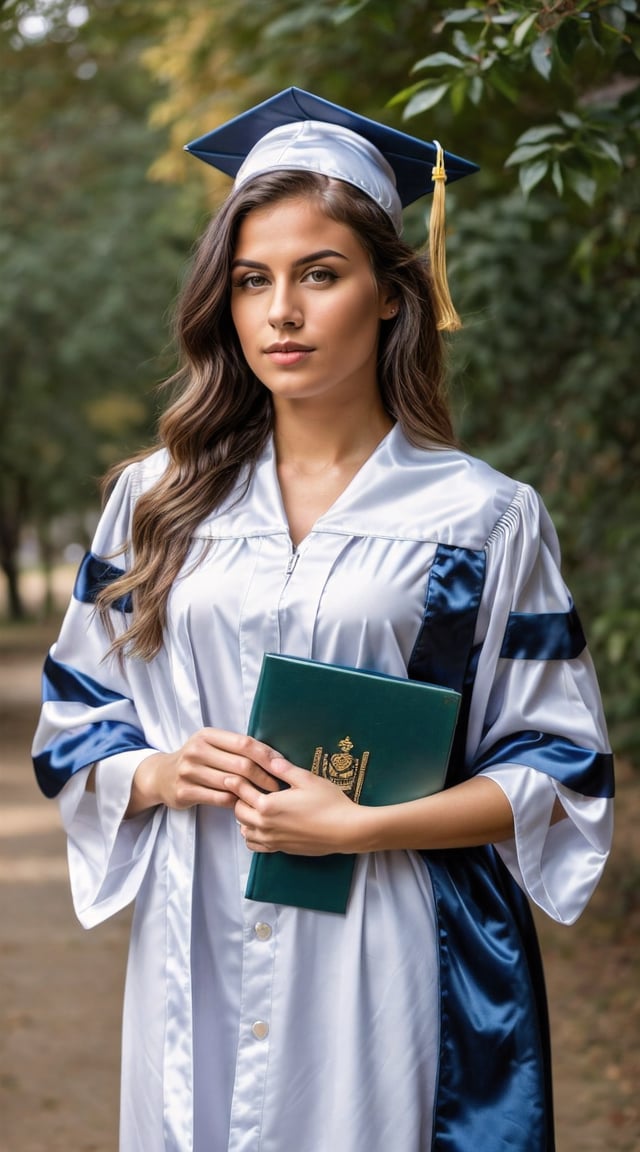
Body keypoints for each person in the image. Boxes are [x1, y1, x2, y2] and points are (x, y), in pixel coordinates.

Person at [32, 87, 614, 1152]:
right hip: (198, 919)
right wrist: (159, 773)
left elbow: (556, 761)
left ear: (392, 295)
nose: (280, 314)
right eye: (252, 280)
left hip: (385, 941)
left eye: (320, 275)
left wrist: (364, 826)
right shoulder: (157, 499)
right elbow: (78, 713)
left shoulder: (479, 517)